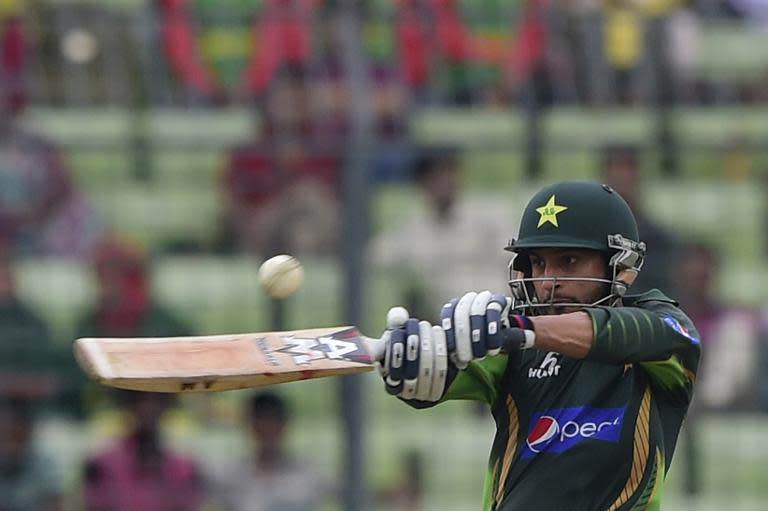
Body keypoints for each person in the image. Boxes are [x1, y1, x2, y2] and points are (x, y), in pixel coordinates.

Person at [378, 180, 701, 510]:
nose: (548, 281)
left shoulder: (661, 332)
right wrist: (414, 358)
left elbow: (649, 333)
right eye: (539, 262)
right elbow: (437, 379)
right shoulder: (514, 347)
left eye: (569, 261)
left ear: (620, 267)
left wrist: (522, 329)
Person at [369, 146, 514, 321]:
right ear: (423, 183)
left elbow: (515, 258)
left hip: (497, 308)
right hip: (446, 320)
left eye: (450, 171)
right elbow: (375, 256)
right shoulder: (413, 227)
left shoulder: (489, 214)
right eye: (435, 176)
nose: (445, 181)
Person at [207, 391, 332, 511]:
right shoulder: (230, 477)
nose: (267, 427)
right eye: (261, 419)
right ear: (249, 424)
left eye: (273, 419)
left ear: (284, 423)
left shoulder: (309, 474)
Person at [83, 390, 203, 511]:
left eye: (156, 401)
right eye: (140, 401)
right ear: (128, 405)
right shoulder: (103, 464)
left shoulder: (183, 467)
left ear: (166, 406)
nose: (148, 408)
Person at [600, 144, 678, 294]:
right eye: (616, 168)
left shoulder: (658, 237)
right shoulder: (592, 231)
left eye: (628, 168)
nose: (622, 176)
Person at [0, 396, 63, 510]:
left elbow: (54, 502)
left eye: (16, 436)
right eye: (7, 435)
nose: (11, 445)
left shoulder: (43, 463)